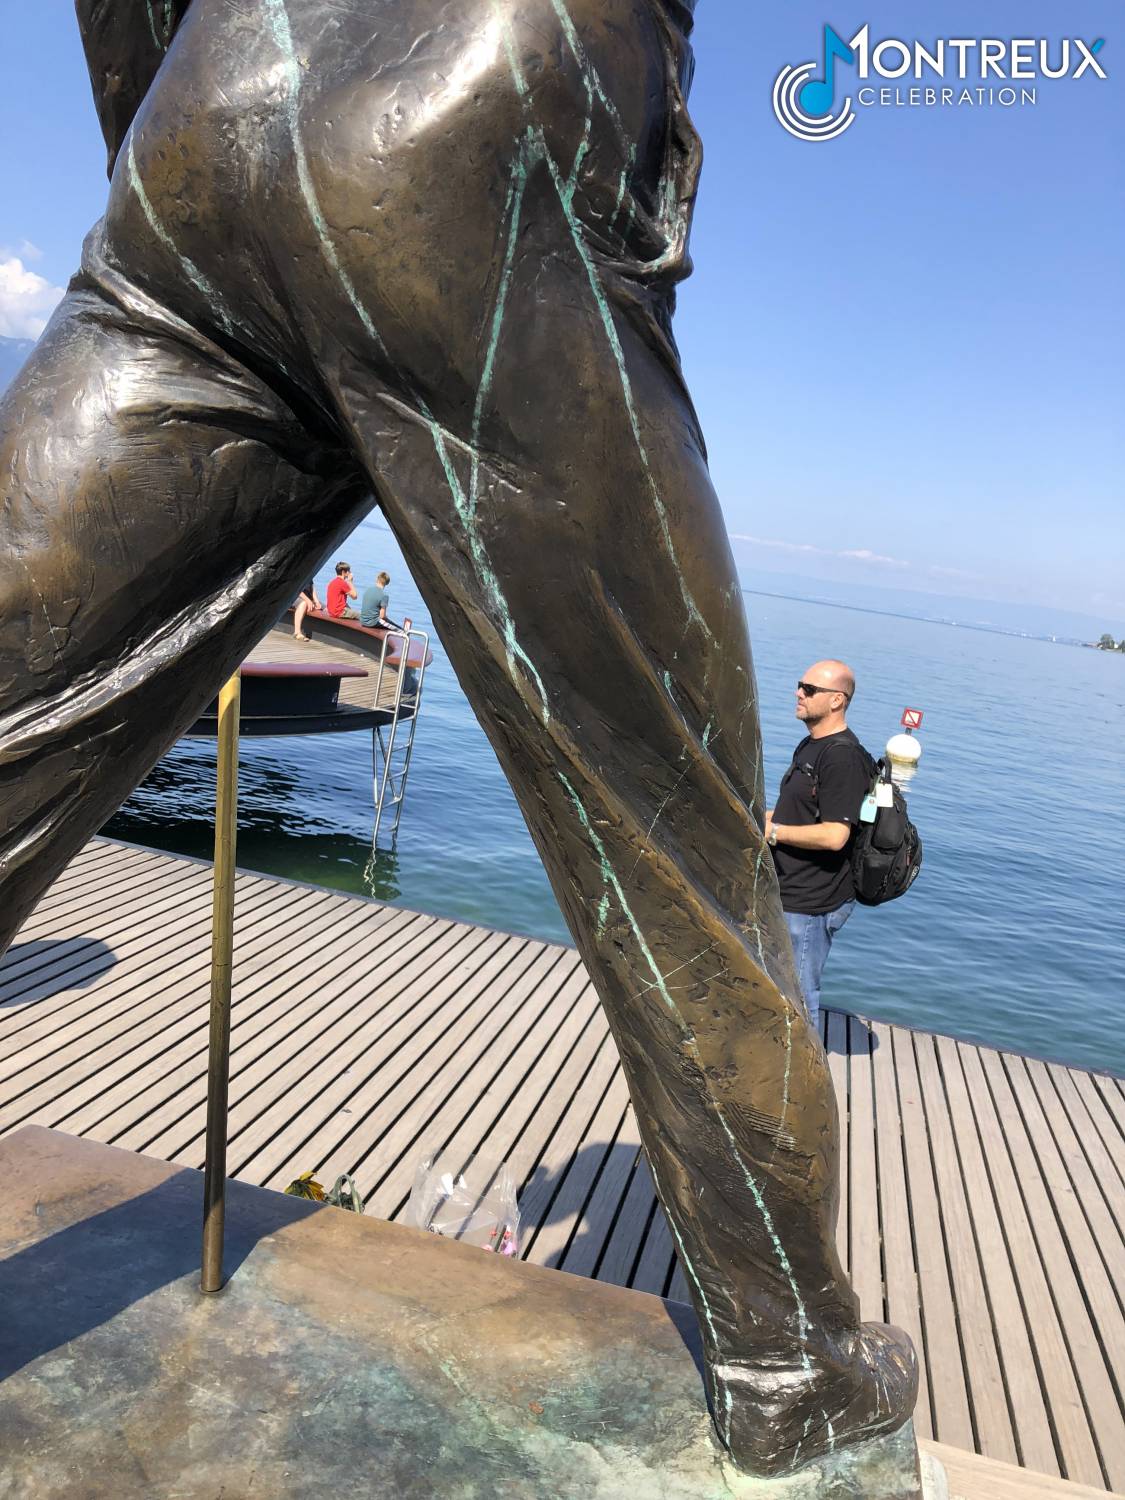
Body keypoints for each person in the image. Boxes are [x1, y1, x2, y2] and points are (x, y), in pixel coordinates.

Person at [0, 0, 917, 1474]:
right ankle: (795, 1355)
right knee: (667, 828)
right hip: (483, 104)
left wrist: (194, 167)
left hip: (205, 123)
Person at [765, 660, 871, 1030]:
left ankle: (801, 1083)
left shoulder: (843, 757)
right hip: (789, 890)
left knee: (799, 996)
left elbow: (834, 834)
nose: (798, 693)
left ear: (837, 700)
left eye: (809, 689)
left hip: (812, 903)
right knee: (777, 989)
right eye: (800, 685)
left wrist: (773, 832)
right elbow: (802, 809)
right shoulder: (811, 745)